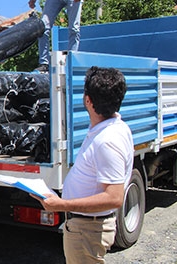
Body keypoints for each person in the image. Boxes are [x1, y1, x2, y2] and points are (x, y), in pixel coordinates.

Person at [34, 66, 134, 263]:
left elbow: (114, 198)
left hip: (88, 229)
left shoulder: (107, 141)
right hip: (86, 226)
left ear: (88, 100)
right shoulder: (109, 128)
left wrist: (61, 205)